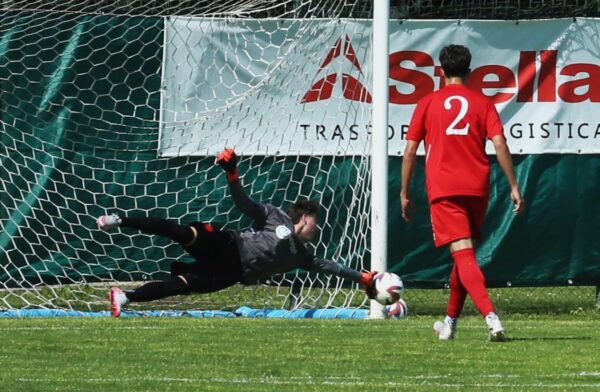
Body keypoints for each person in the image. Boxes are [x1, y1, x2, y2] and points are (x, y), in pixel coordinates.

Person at [98, 148, 377, 317]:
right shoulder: (274, 215)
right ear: (304, 218)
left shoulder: (303, 257)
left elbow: (334, 268)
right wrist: (232, 172)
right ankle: (120, 220)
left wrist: (363, 278)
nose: (317, 230)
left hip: (230, 274)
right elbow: (244, 203)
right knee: (184, 233)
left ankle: (125, 297)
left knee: (183, 284)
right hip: (229, 245)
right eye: (315, 222)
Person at [400, 45, 525, 341]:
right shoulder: (483, 103)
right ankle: (449, 323)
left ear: (441, 71)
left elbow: (409, 151)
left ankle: (492, 319)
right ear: (470, 72)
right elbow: (500, 144)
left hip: (445, 189)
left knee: (464, 256)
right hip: (477, 188)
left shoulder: (427, 103)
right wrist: (514, 186)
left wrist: (404, 193)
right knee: (463, 256)